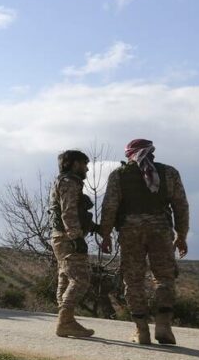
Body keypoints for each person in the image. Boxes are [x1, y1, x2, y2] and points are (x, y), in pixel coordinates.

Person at [99, 139, 189, 345]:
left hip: (130, 231)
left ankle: (141, 331)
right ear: (152, 153)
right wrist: (181, 235)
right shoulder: (170, 173)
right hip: (161, 230)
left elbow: (110, 207)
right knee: (165, 278)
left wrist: (105, 234)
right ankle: (164, 325)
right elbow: (181, 205)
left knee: (133, 280)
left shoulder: (119, 175)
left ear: (129, 154)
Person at [50, 150, 97, 338]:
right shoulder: (69, 183)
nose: (86, 168)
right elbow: (68, 212)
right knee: (80, 278)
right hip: (67, 237)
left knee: (65, 278)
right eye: (84, 164)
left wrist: (94, 227)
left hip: (61, 236)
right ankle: (66, 321)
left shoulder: (65, 182)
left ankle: (64, 321)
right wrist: (76, 237)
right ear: (75, 164)